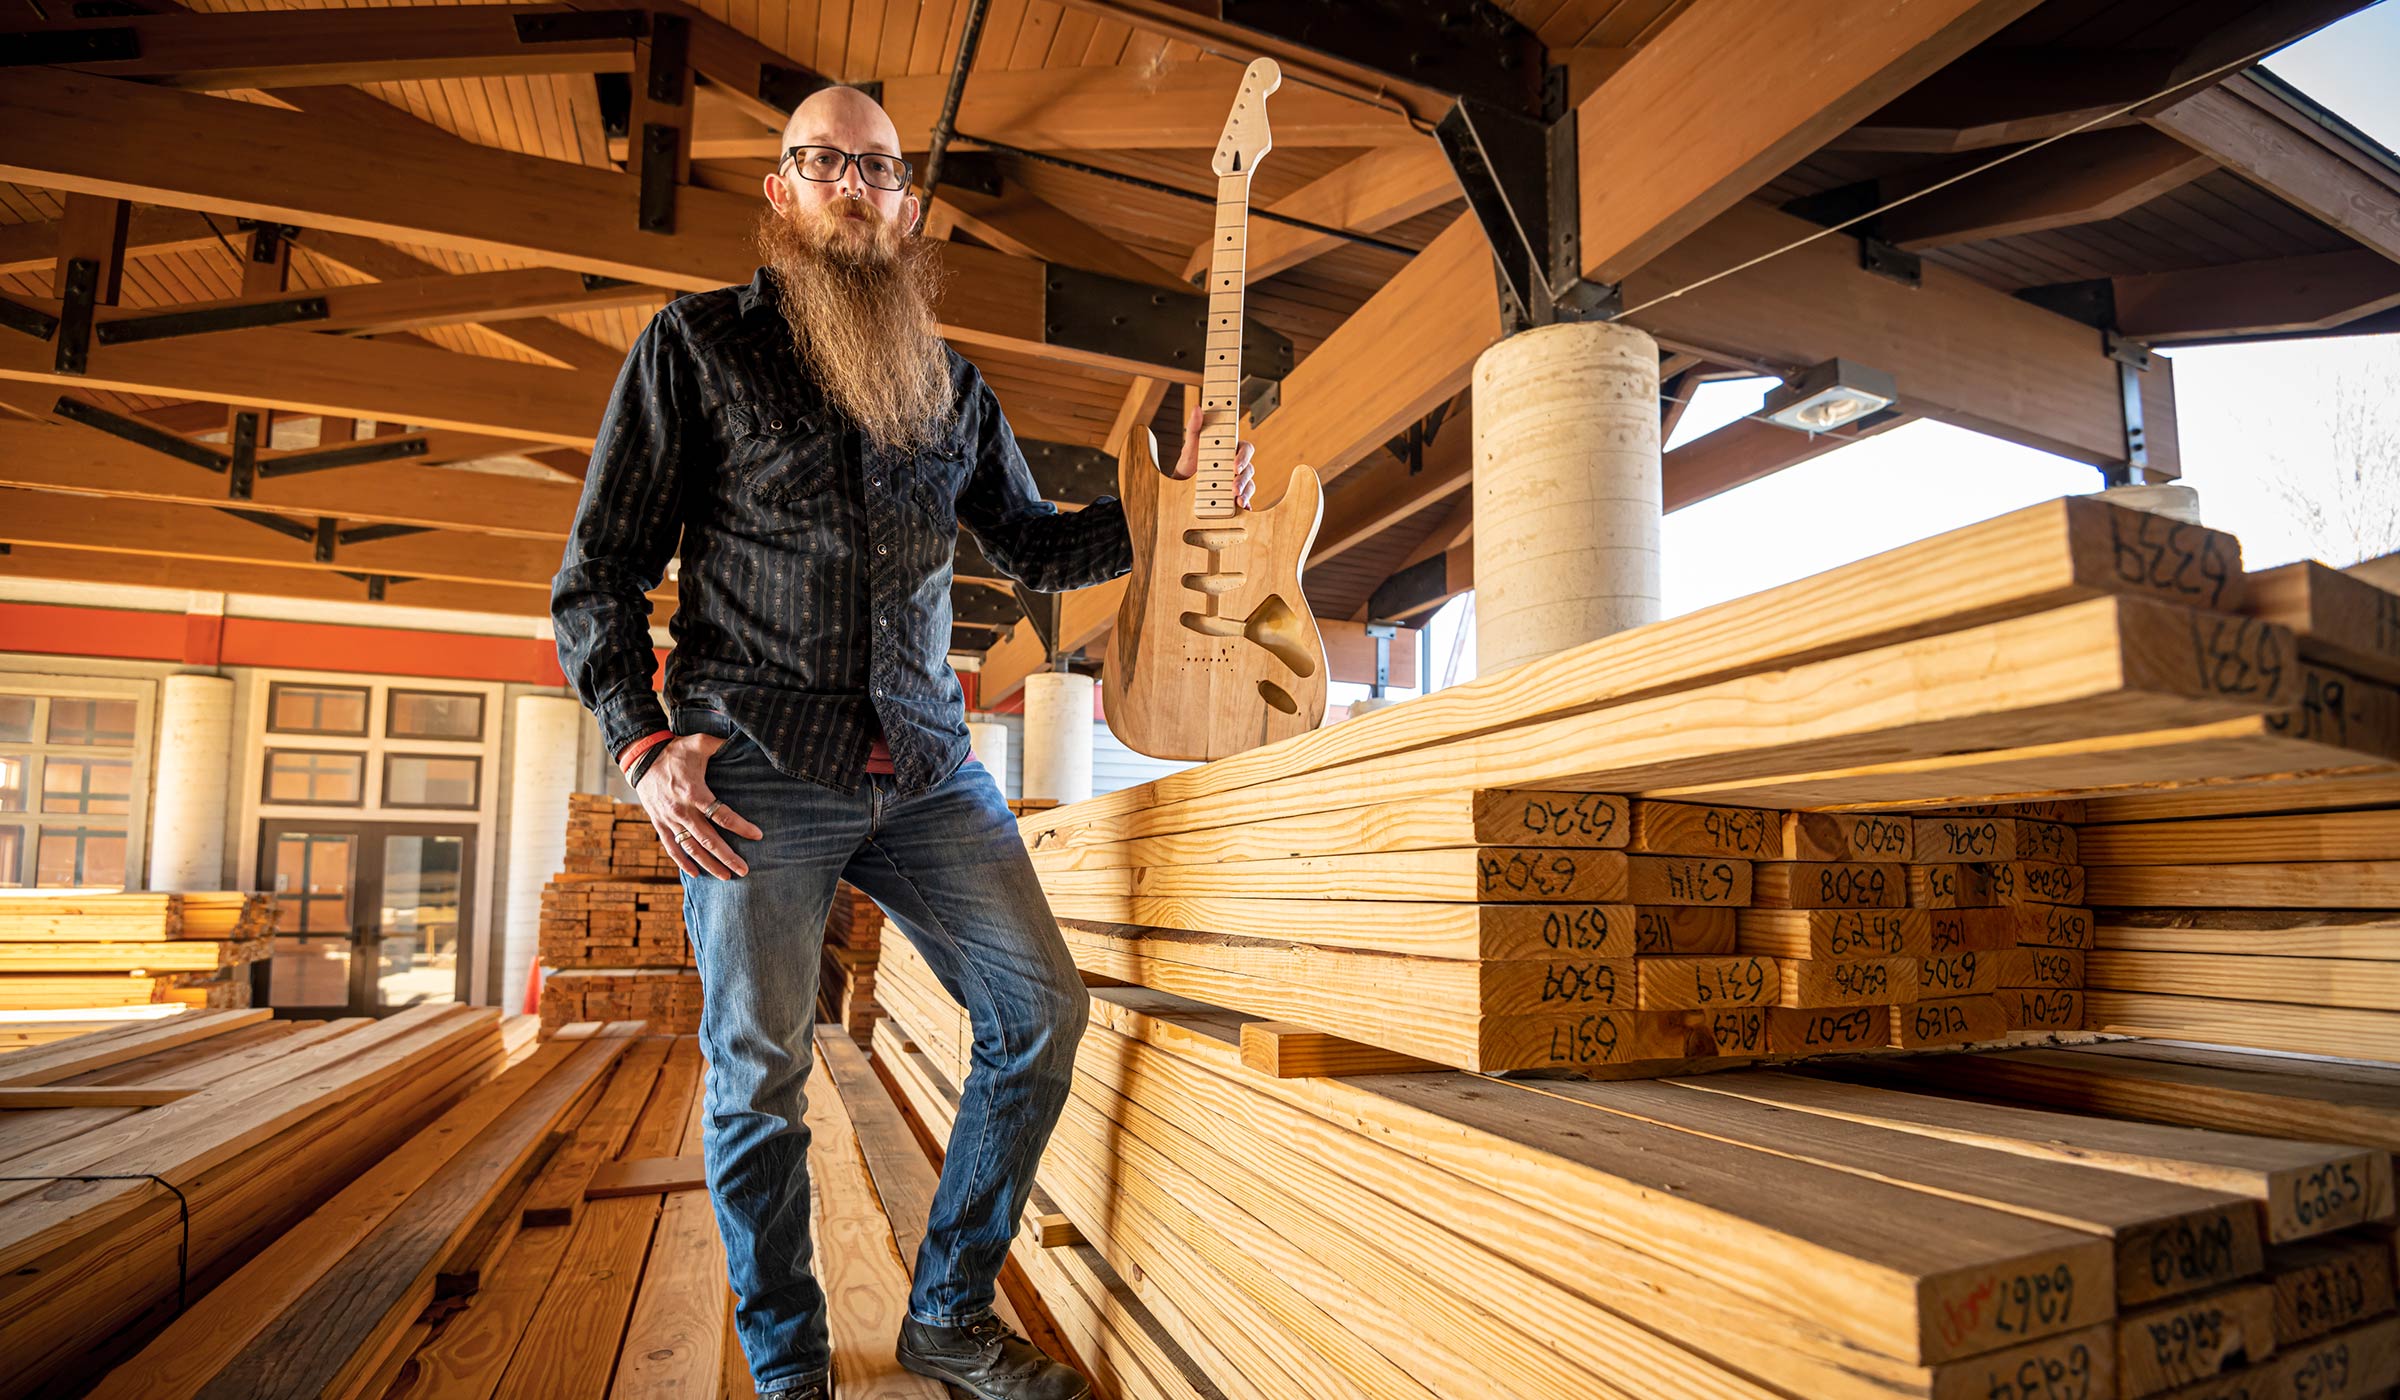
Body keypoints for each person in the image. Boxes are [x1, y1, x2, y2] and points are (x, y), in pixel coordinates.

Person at [550, 83, 1253, 1400]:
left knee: (1040, 1013)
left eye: (874, 168)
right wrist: (643, 749)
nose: (850, 186)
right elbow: (597, 577)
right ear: (782, 193)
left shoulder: (950, 384)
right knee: (760, 1080)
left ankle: (946, 1315)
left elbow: (1041, 549)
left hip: (929, 772)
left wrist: (1177, 502)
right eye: (823, 163)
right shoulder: (695, 349)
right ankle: (788, 1365)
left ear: (909, 207)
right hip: (753, 765)